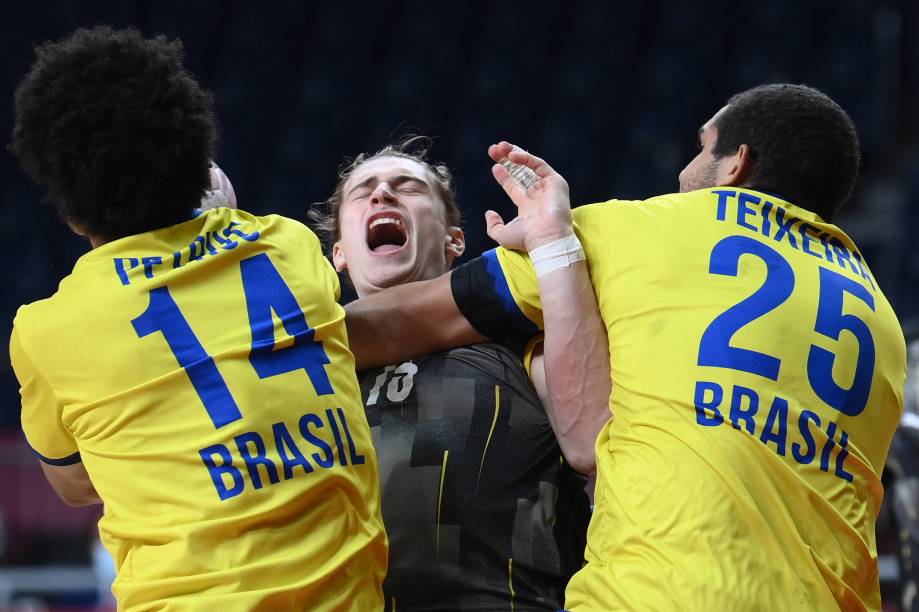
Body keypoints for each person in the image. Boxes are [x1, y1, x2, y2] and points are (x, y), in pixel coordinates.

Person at [345, 84, 908, 609]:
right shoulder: (882, 324)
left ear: (737, 163)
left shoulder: (637, 231)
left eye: (701, 149)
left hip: (658, 590)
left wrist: (266, 335)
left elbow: (406, 318)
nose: (684, 171)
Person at [9, 27, 385, 609]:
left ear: (71, 213)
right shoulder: (289, 246)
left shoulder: (47, 330)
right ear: (197, 156)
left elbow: (76, 483)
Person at [309, 138, 593, 611]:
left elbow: (595, 448)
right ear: (338, 254)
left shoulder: (521, 347)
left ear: (454, 240)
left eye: (408, 187)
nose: (382, 195)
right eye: (364, 192)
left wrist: (553, 245)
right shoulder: (304, 372)